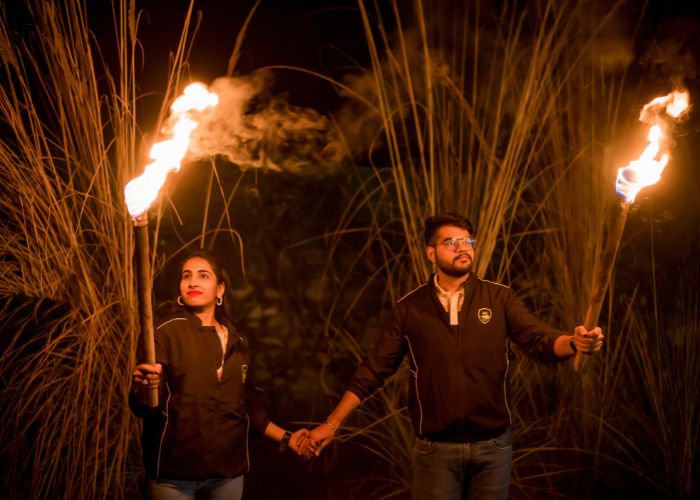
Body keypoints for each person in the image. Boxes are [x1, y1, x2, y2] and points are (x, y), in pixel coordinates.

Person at [306, 213, 604, 499]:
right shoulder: (410, 308)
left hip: (493, 448)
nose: (463, 247)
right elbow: (374, 370)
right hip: (435, 451)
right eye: (451, 242)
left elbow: (539, 340)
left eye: (468, 241)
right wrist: (331, 424)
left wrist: (575, 343)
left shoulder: (498, 298)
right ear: (431, 253)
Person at [130, 249, 310, 500]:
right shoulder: (163, 333)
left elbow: (245, 406)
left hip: (227, 474)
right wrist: (142, 386)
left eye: (203, 276)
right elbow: (146, 405)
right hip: (174, 476)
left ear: (220, 289)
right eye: (186, 276)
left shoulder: (239, 341)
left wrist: (288, 437)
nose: (193, 282)